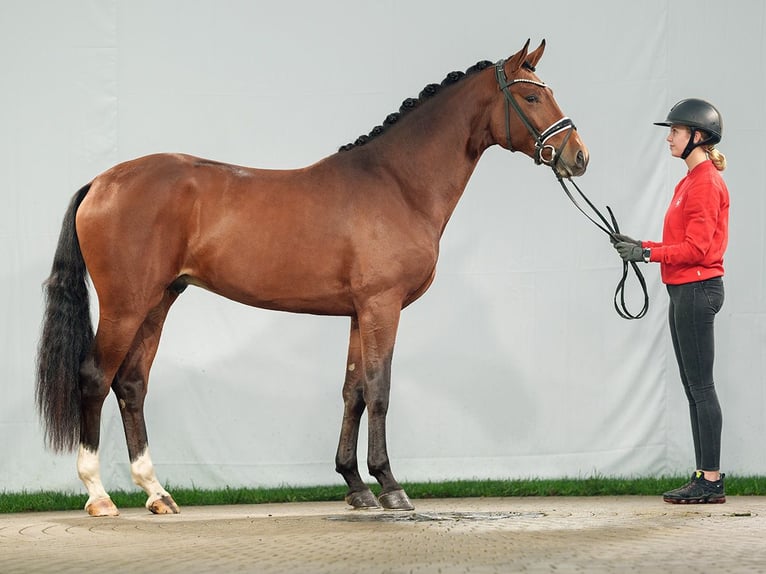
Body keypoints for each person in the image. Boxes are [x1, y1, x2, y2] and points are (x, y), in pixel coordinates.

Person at [612, 98, 729, 504]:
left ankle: (711, 480)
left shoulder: (705, 184)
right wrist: (641, 245)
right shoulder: (690, 182)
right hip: (685, 290)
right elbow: (683, 243)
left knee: (701, 386)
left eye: (675, 131)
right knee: (693, 386)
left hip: (697, 289)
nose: (669, 138)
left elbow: (696, 248)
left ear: (697, 136)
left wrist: (647, 255)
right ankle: (705, 476)